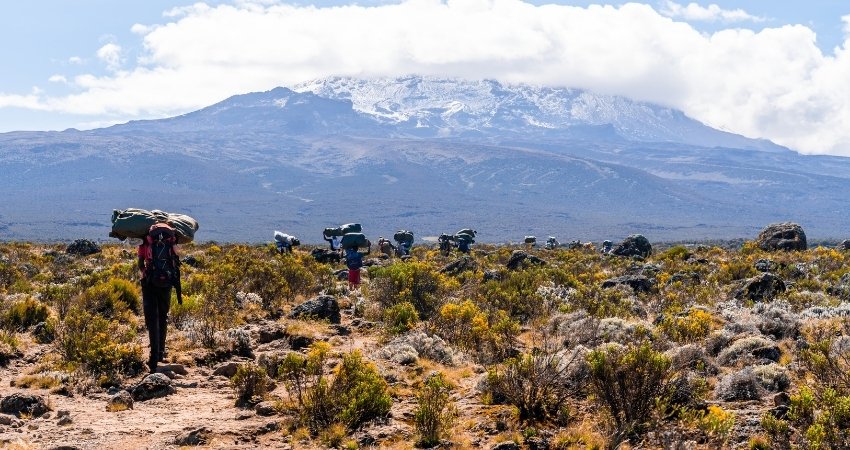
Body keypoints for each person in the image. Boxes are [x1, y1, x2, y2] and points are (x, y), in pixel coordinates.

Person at [138, 222, 182, 373]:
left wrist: (145, 273)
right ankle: (161, 352)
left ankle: (153, 356)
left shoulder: (145, 242)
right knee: (163, 316)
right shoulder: (171, 241)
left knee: (152, 319)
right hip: (167, 282)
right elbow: (177, 258)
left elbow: (140, 263)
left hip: (149, 283)